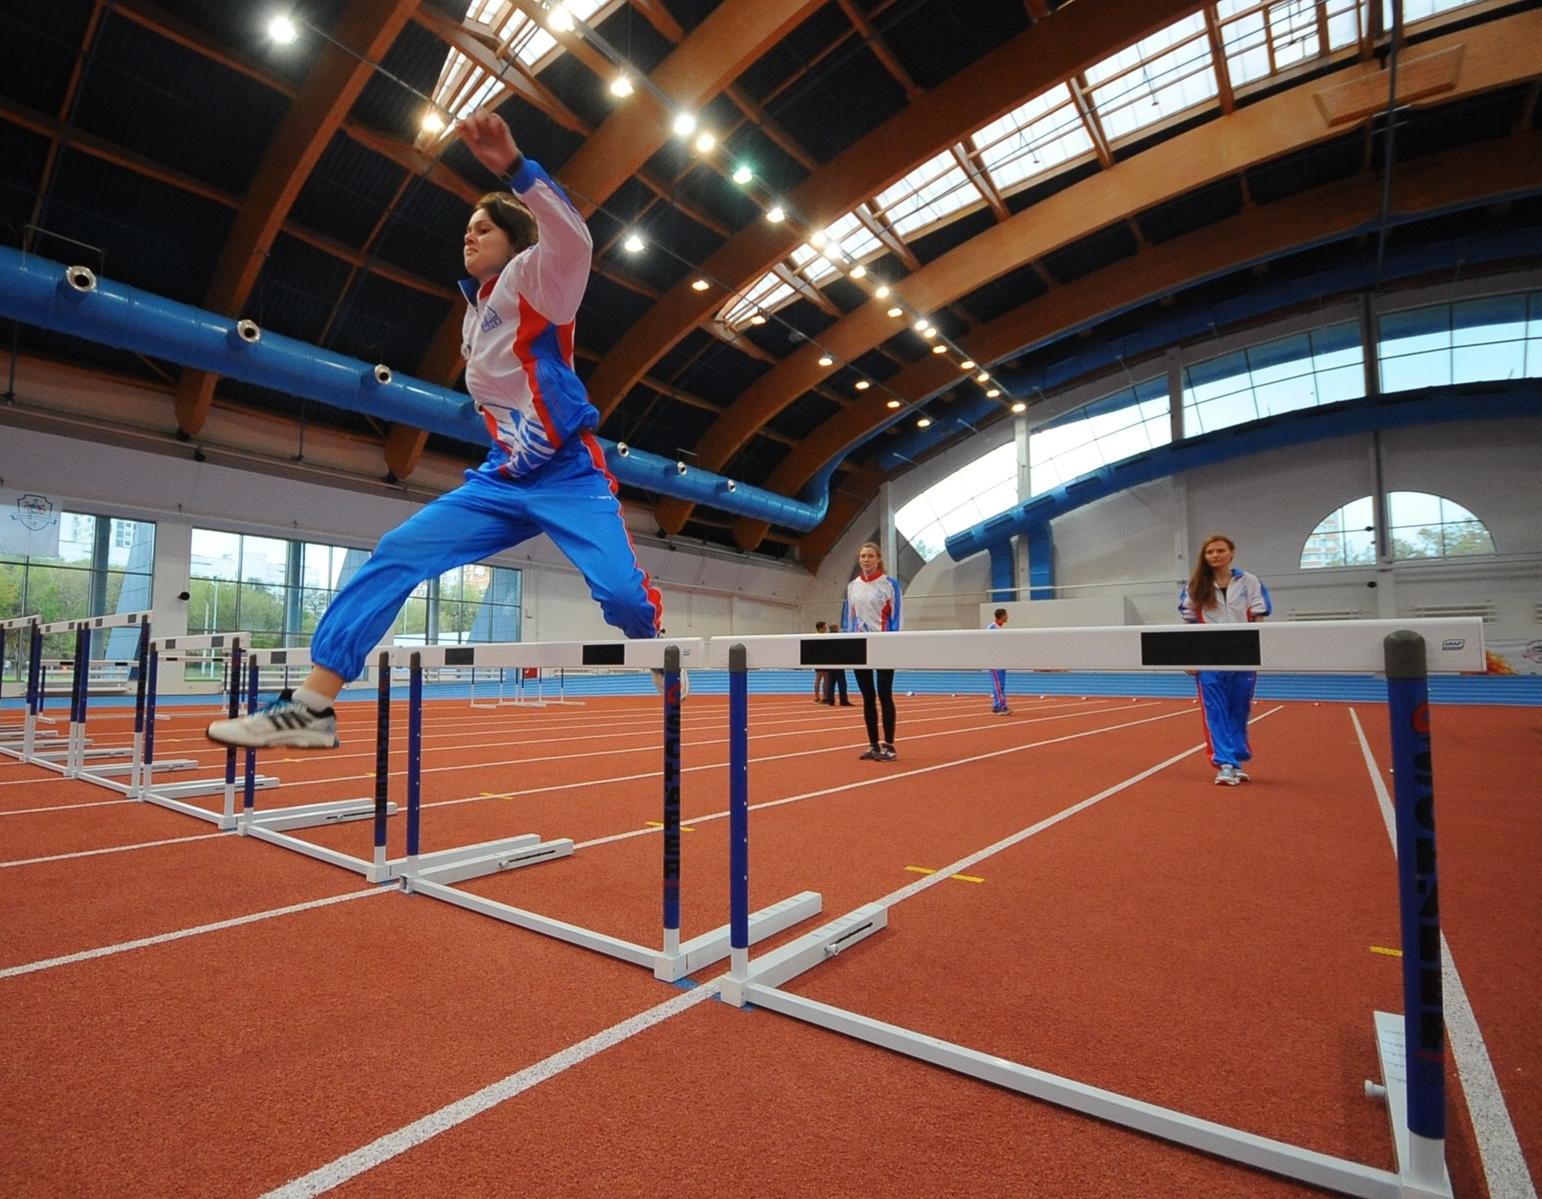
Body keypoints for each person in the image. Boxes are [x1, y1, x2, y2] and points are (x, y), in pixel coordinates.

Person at [208, 109, 664, 749]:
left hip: (566, 472)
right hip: (503, 480)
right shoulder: (472, 322)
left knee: (620, 596)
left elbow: (576, 243)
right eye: (467, 230)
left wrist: (513, 168)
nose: (469, 238)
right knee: (396, 550)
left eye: (483, 228)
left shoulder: (540, 280)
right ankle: (311, 706)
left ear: (515, 240)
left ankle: (654, 651)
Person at [1178, 534, 1271, 785]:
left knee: (1239, 708)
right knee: (1215, 710)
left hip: (1243, 654)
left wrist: (1259, 652)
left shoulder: (1249, 581)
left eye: (1220, 551)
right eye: (1210, 552)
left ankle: (1237, 757)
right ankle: (1225, 762)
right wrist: (1189, 657)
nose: (1215, 556)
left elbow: (1259, 617)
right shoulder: (1195, 585)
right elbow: (1188, 621)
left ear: (1231, 553)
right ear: (1204, 556)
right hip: (1209, 655)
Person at [841, 541, 901, 761]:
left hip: (883, 644)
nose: (865, 560)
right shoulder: (852, 586)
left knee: (885, 695)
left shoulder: (890, 584)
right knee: (867, 696)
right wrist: (848, 641)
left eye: (869, 556)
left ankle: (890, 745)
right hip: (859, 645)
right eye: (862, 556)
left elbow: (897, 617)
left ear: (878, 559)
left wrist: (893, 641)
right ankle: (873, 744)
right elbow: (848, 617)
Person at [818, 620, 851, 706]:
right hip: (838, 663)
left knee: (830, 683)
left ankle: (830, 699)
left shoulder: (826, 638)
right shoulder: (839, 637)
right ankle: (843, 700)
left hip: (830, 663)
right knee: (841, 683)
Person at [987, 607, 1010, 715]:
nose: (1008, 617)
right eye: (1006, 614)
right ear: (1001, 616)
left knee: (1001, 684)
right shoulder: (992, 628)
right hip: (995, 660)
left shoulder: (1000, 629)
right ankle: (1002, 706)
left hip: (1001, 660)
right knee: (998, 684)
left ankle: (997, 705)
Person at [812, 621, 829, 703]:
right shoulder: (815, 637)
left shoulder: (827, 637)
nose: (826, 629)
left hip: (826, 660)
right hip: (818, 660)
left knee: (826, 679)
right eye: (824, 628)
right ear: (820, 629)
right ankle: (817, 696)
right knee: (818, 678)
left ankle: (825, 696)